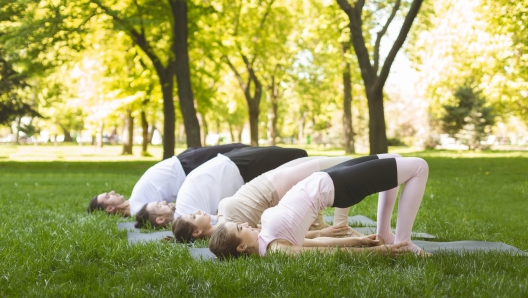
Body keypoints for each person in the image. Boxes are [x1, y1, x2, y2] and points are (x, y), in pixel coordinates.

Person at [209, 154, 431, 259]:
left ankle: (385, 232)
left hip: (323, 178)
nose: (245, 224)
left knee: (393, 157)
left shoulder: (264, 239)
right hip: (336, 187)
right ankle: (403, 243)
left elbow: (315, 241)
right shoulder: (277, 250)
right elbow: (324, 253)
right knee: (419, 167)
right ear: (240, 247)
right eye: (239, 229)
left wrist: (358, 240)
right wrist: (380, 252)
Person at [172, 156, 365, 242]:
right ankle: (342, 227)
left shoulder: (221, 221)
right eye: (193, 217)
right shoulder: (232, 229)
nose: (197, 211)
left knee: (341, 166)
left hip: (271, 177)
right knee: (344, 165)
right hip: (277, 186)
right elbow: (273, 234)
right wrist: (323, 234)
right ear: (196, 232)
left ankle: (329, 226)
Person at [135, 146, 308, 228]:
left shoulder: (184, 209)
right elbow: (227, 223)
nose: (163, 201)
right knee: (296, 157)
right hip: (238, 167)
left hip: (233, 163)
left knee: (295, 159)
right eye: (158, 206)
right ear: (159, 219)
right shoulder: (185, 213)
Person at [87, 143, 249, 216]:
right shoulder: (138, 210)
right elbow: (169, 211)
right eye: (107, 196)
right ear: (109, 209)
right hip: (187, 167)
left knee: (237, 149)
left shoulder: (135, 201)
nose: (112, 192)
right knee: (238, 150)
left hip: (183, 161)